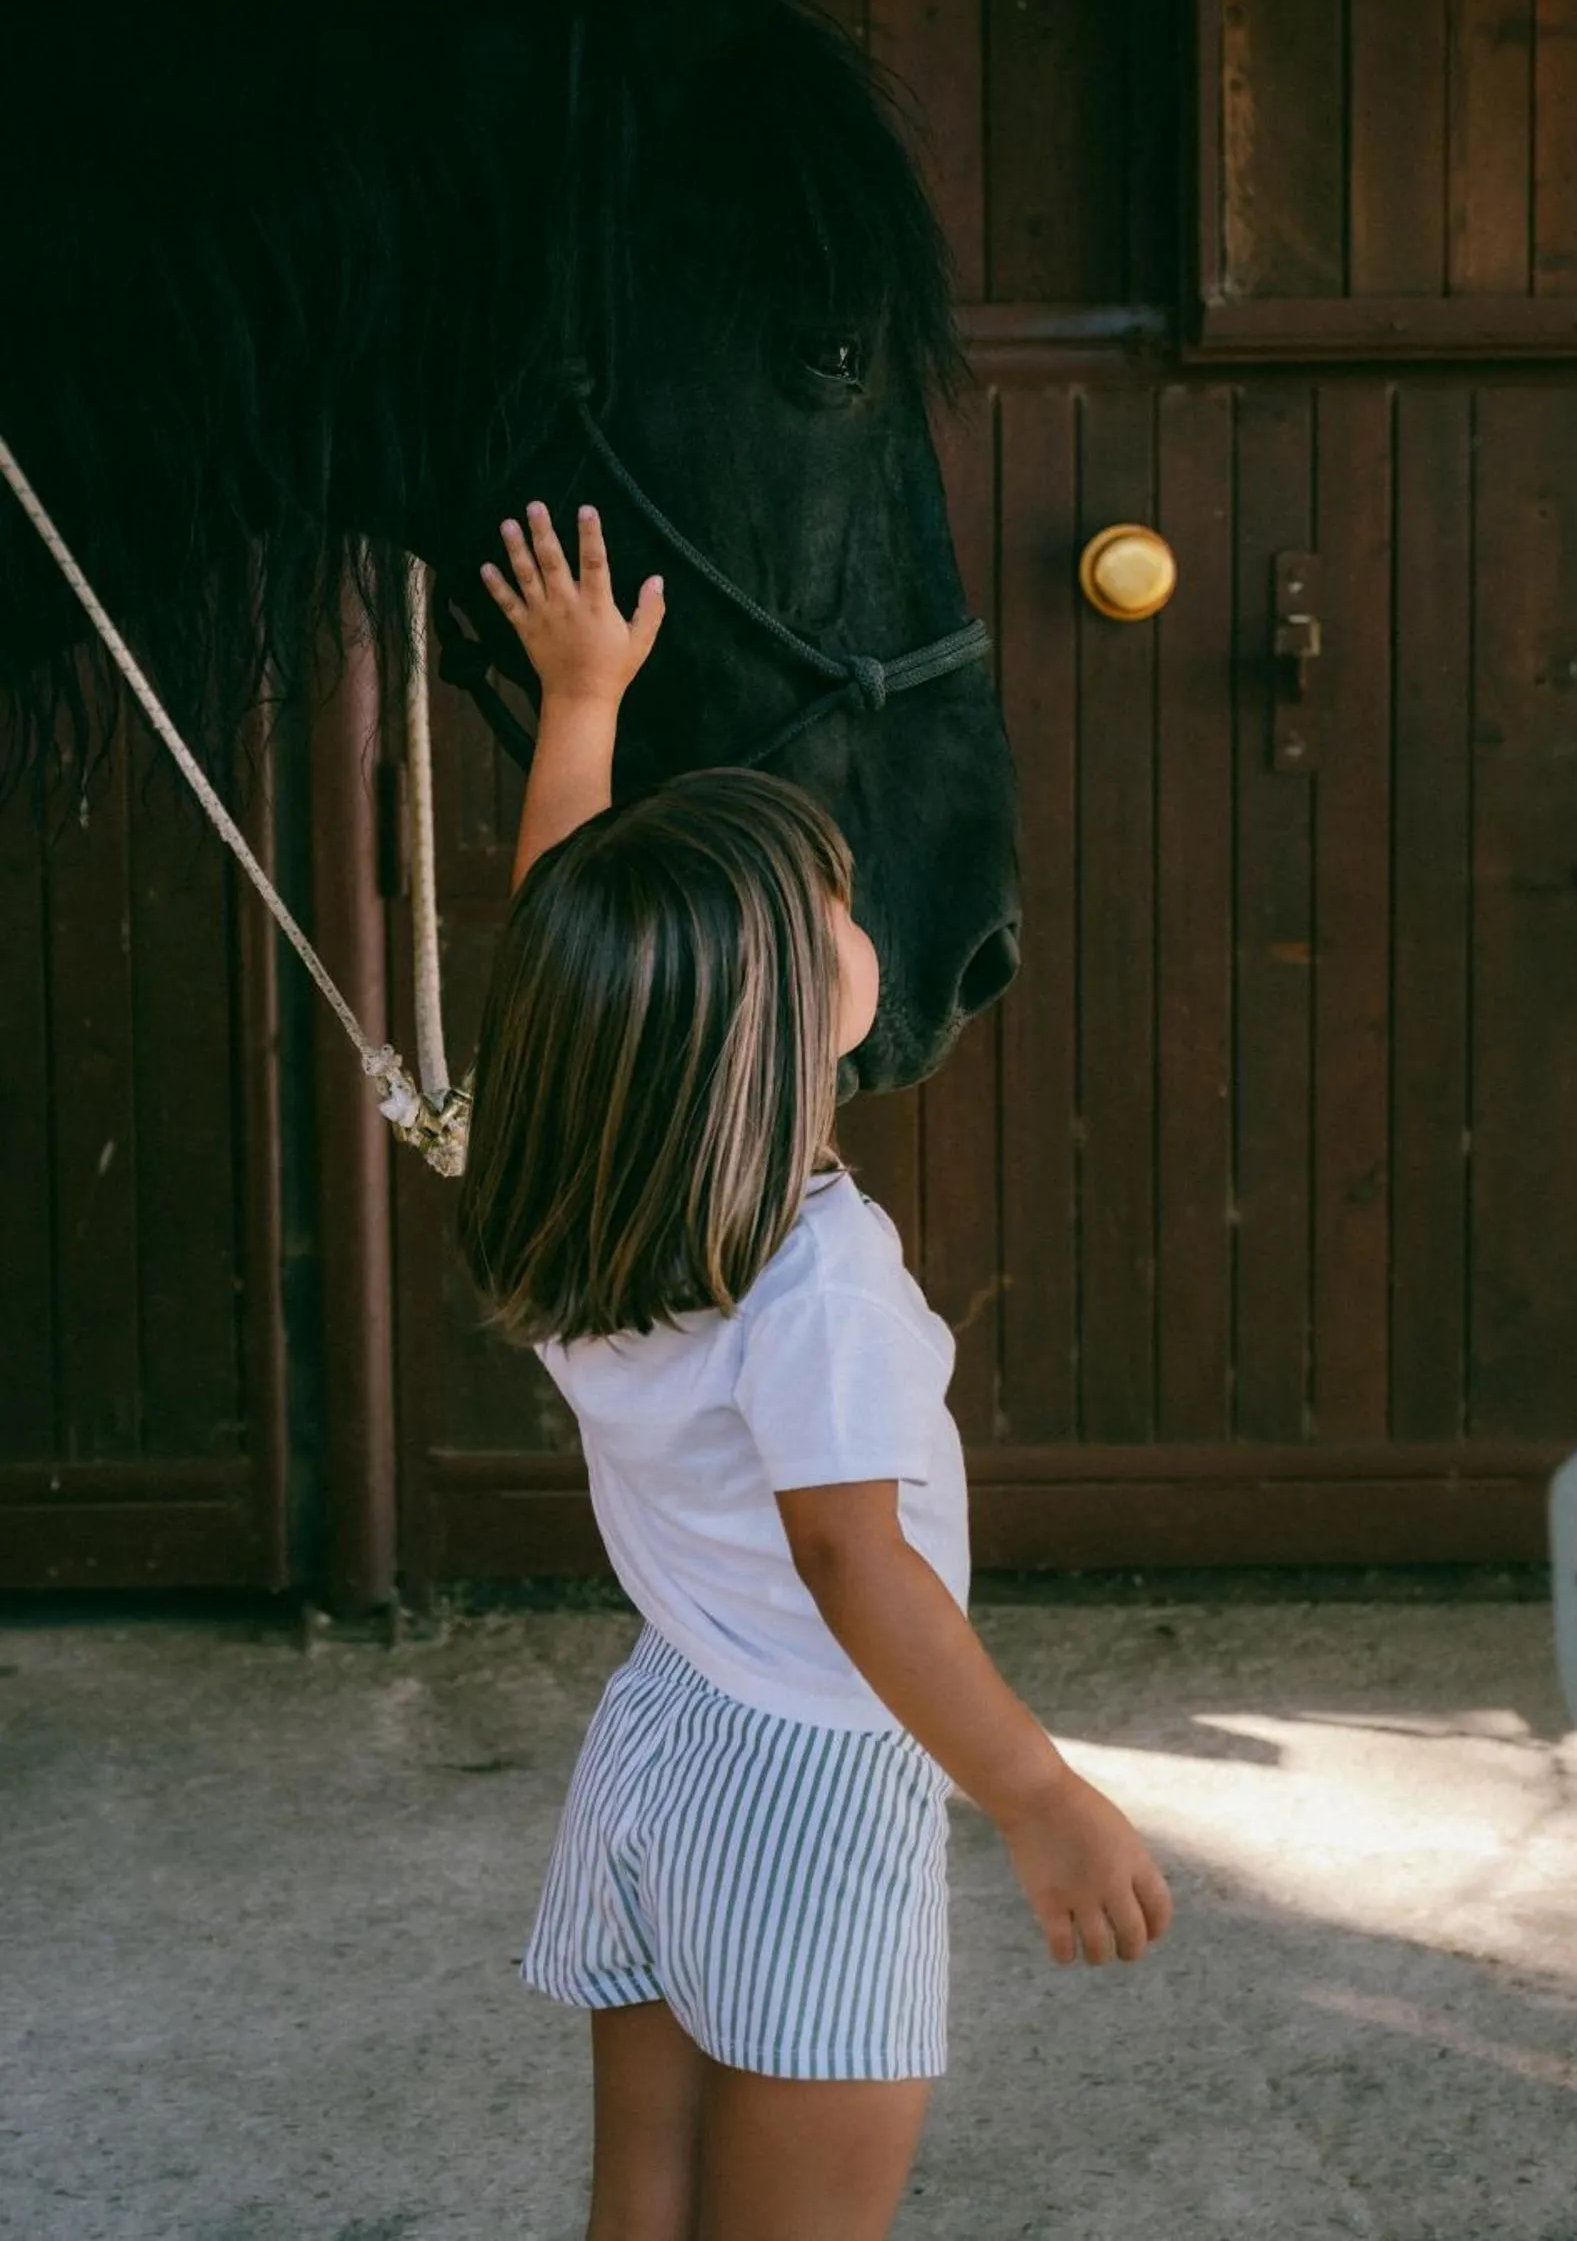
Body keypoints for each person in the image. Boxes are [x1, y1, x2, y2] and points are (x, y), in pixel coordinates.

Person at [457, 500, 1174, 2241]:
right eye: (836, 908)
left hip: (667, 1730)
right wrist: (1039, 1793)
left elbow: (570, 929)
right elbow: (856, 1564)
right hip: (814, 1773)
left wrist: (583, 707)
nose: (862, 915)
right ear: (776, 1018)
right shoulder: (812, 1282)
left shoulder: (575, 1195)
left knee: (645, 2197)